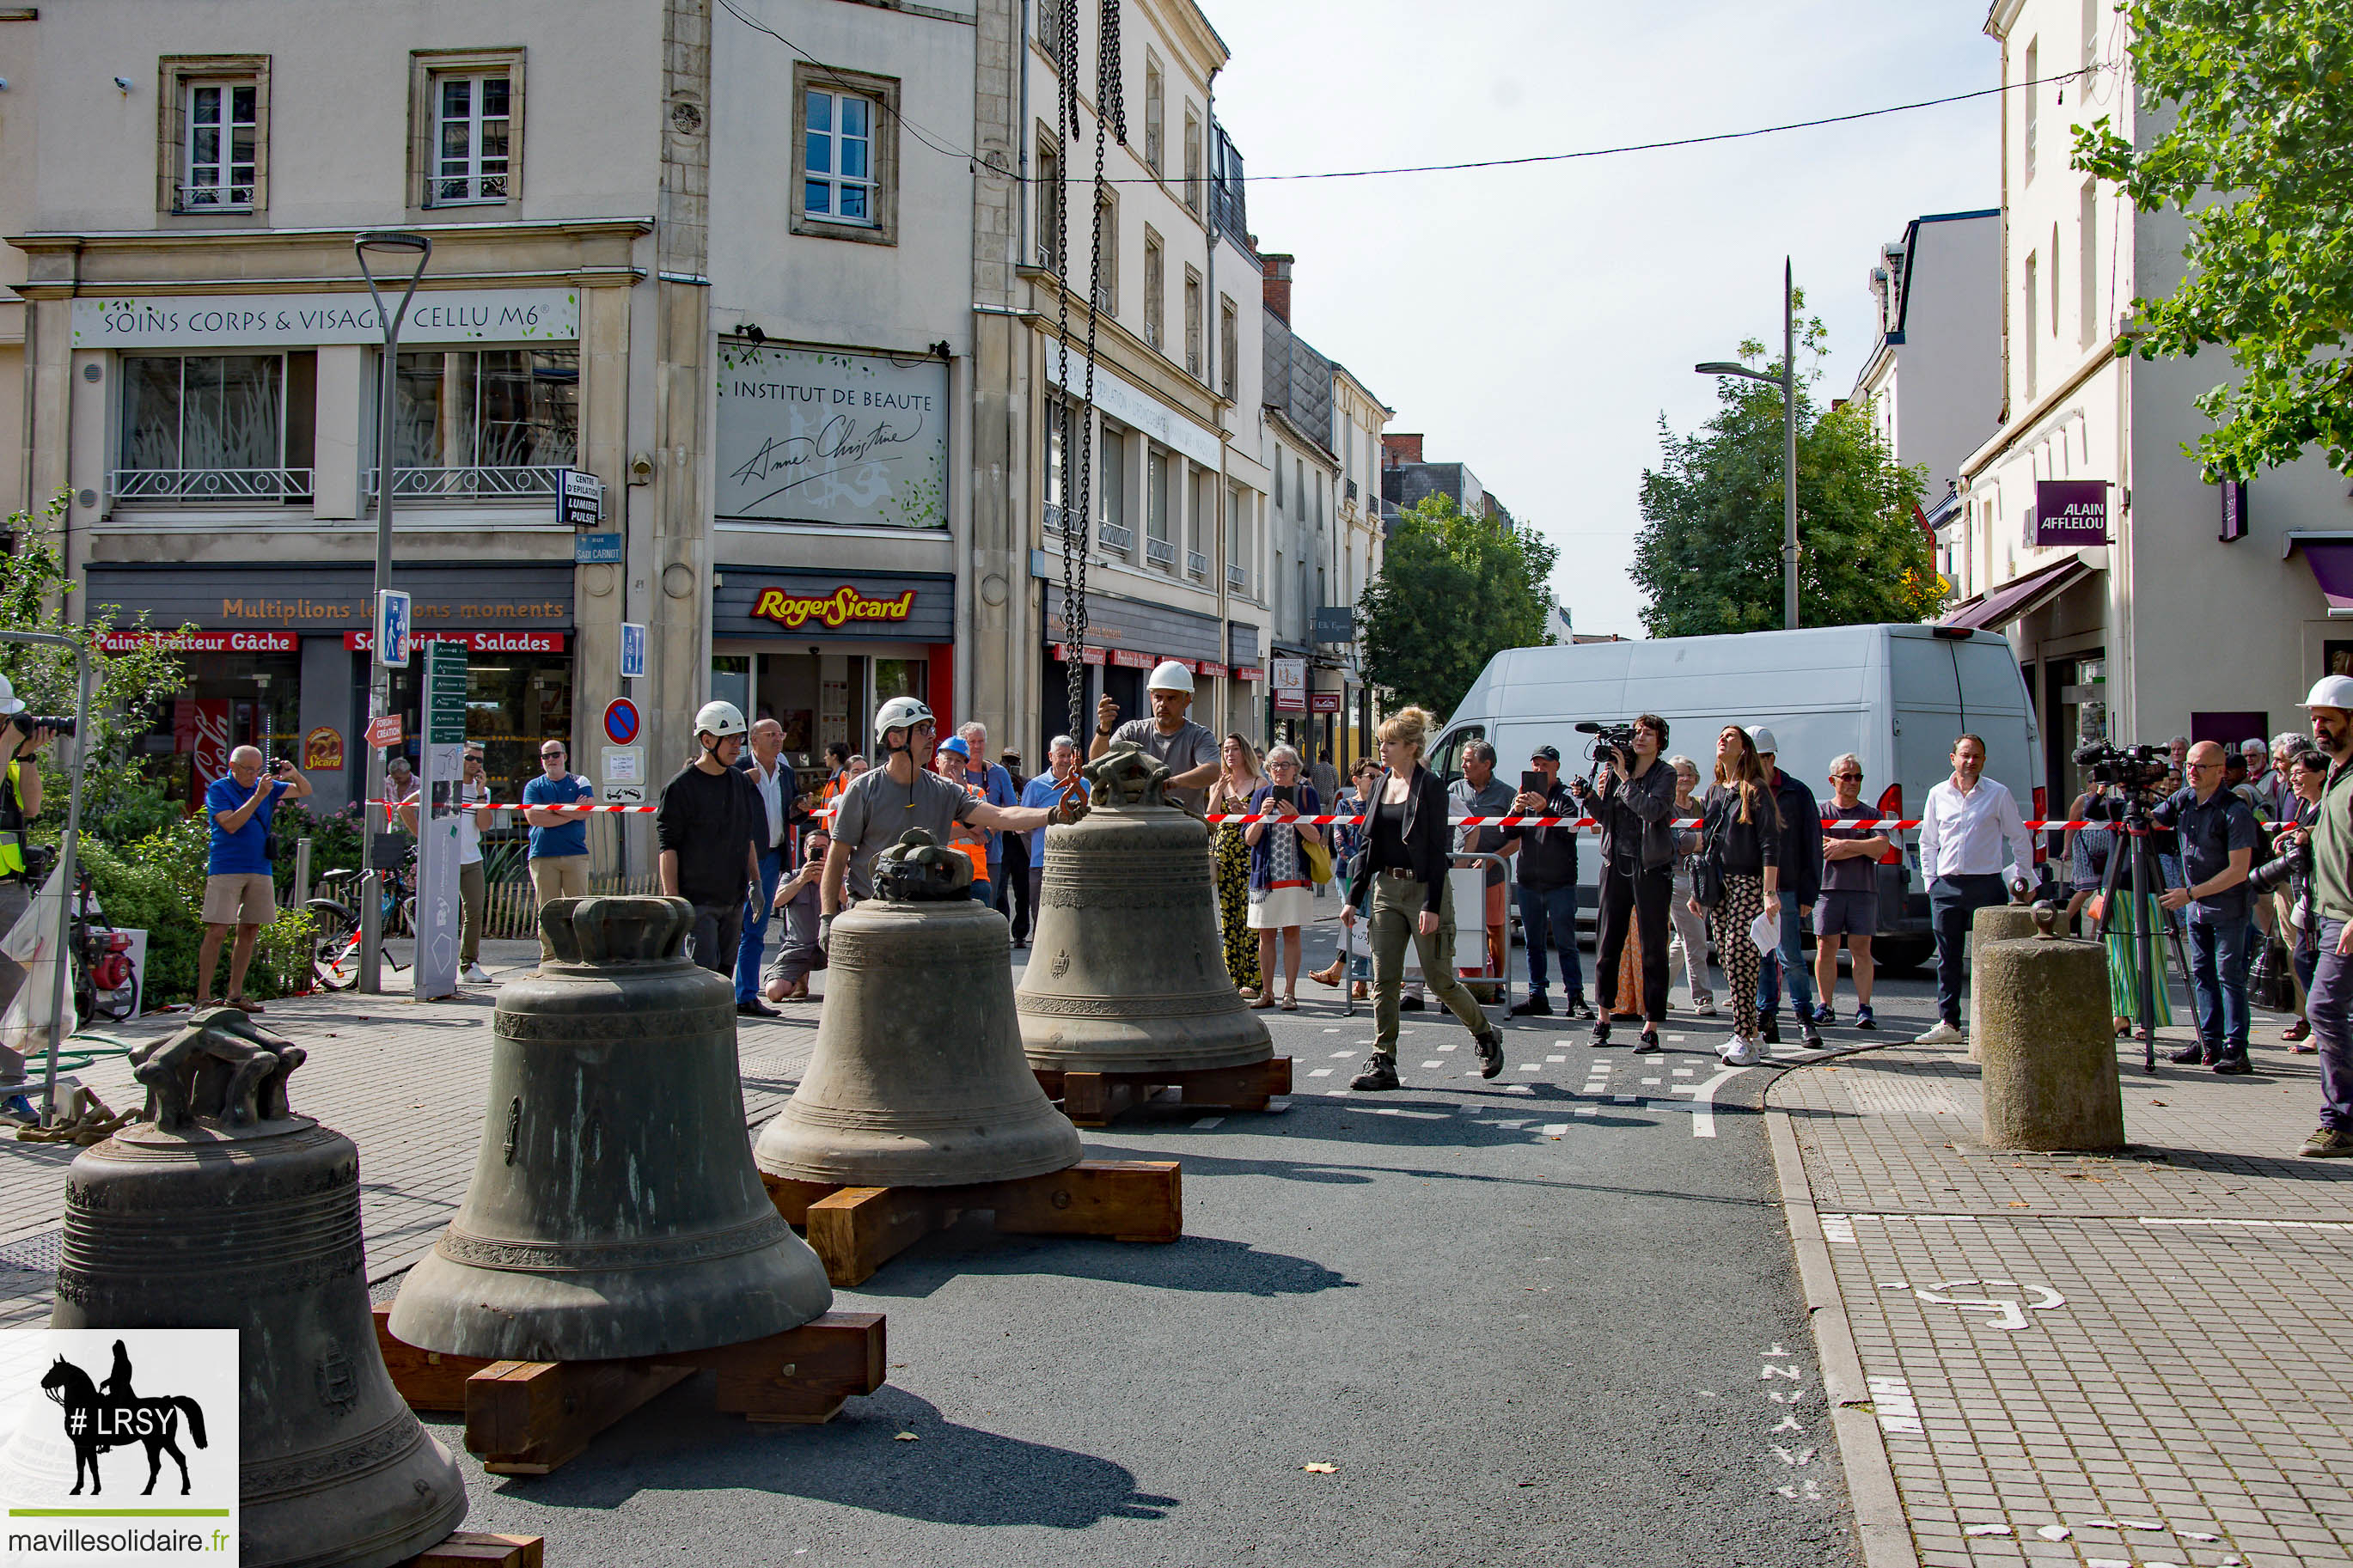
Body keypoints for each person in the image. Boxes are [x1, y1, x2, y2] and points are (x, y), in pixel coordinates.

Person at [821, 698, 1081, 952]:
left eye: (931, 729)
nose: (931, 736)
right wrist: (827, 917)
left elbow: (1000, 817)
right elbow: (837, 855)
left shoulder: (943, 790)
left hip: (924, 919)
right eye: (923, 729)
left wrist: (1053, 813)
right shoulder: (863, 790)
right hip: (870, 920)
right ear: (896, 738)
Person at [1340, 706, 1504, 1089]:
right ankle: (1383, 1060)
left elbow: (1435, 848)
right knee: (1385, 979)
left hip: (1424, 889)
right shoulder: (1381, 783)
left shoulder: (1429, 786)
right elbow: (1368, 846)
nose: (1382, 749)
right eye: (1381, 742)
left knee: (1439, 979)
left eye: (1390, 743)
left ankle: (1485, 1034)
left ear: (1412, 748)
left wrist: (1431, 904)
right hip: (1386, 890)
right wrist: (1353, 898)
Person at [1911, 734, 2033, 1046]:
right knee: (1948, 958)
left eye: (1976, 756)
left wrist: (2023, 878)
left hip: (1986, 885)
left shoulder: (1997, 794)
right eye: (1965, 755)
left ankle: (1994, 1022)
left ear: (1983, 760)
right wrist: (1930, 881)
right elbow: (1928, 841)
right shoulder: (1938, 794)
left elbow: (2019, 838)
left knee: (1990, 958)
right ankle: (1949, 1022)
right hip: (1946, 885)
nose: (1970, 761)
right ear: (1953, 758)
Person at [2152, 741, 2262, 1072]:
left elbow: (2238, 870)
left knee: (2229, 975)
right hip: (2198, 906)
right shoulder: (2184, 799)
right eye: (2188, 765)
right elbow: (2152, 820)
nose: (2192, 772)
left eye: (2200, 766)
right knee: (2202, 974)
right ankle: (2208, 1039)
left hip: (2227, 906)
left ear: (2220, 771)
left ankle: (2236, 1047)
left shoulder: (2235, 810)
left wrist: (2191, 893)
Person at [1572, 716, 1678, 1049]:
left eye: (1649, 733)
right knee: (1607, 946)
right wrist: (1589, 797)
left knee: (1653, 949)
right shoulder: (1617, 771)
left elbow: (1651, 811)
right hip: (1616, 863)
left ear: (1661, 741)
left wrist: (1624, 778)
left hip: (1651, 868)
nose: (1641, 737)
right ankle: (1603, 1018)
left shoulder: (1665, 774)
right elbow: (1608, 818)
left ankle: (1651, 1026)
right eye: (1638, 732)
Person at [656, 702, 767, 985]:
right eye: (730, 739)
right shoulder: (680, 788)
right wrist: (673, 899)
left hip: (733, 899)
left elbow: (747, 837)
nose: (736, 746)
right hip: (697, 902)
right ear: (707, 740)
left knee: (723, 978)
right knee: (702, 977)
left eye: (739, 739)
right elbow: (667, 846)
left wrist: (755, 882)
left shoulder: (740, 783)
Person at [199, 744, 312, 1012]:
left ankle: (235, 995)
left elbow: (305, 790)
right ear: (233, 767)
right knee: (217, 929)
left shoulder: (265, 787)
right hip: (226, 867)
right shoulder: (219, 789)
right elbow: (231, 824)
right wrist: (259, 796)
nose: (254, 775)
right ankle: (203, 997)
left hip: (260, 867)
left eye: (258, 770)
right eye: (248, 770)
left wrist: (293, 773)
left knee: (250, 928)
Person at [1691, 726, 1780, 1065]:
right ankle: (1753, 1035)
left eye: (1731, 737)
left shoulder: (1755, 790)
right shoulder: (1715, 791)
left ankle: (1744, 1036)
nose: (1723, 740)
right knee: (1729, 961)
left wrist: (1769, 892)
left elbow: (1770, 844)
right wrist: (1699, 891)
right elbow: (1708, 842)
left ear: (1744, 749)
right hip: (1719, 883)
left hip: (1749, 882)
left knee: (1741, 954)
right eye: (1721, 736)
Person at [2295, 676, 2353, 1156]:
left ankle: (2341, 1122)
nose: (2318, 728)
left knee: (2323, 1009)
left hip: (2347, 918)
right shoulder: (2335, 774)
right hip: (2327, 913)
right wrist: (2308, 839)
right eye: (2314, 719)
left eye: (2328, 719)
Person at [1746, 728, 1824, 1049]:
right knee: (1762, 956)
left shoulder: (1796, 792)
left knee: (1790, 956)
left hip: (1787, 888)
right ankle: (1766, 1018)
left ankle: (1804, 1019)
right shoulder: (1742, 791)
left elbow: (1812, 845)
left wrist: (1809, 892)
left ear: (1770, 758)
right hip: (1752, 887)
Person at [1505, 744, 1591, 1020]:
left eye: (1545, 765)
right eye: (1536, 765)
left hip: (1560, 882)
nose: (1539, 769)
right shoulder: (1524, 795)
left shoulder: (1567, 797)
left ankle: (1575, 997)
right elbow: (1508, 832)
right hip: (1530, 881)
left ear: (1556, 766)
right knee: (1533, 943)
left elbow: (1570, 831)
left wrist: (1545, 811)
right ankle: (1537, 995)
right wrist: (1517, 810)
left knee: (1566, 942)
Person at [399, 746, 498, 985]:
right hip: (445, 858)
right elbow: (404, 807)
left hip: (471, 858)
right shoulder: (445, 785)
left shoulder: (481, 791)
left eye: (479, 760)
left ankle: (469, 964)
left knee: (474, 911)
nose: (475, 763)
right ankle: (436, 965)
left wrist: (482, 793)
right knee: (441, 913)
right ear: (459, 760)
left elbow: (484, 826)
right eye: (470, 758)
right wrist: (424, 839)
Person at [0, 686, 55, 1083]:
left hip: (9, 889)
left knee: (12, 993)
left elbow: (32, 807)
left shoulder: (12, 758)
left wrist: (28, 755)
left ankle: (8, 1086)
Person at [1812, 754, 1892, 1030]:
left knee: (1861, 949)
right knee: (1827, 948)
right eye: (1847, 777)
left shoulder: (1872, 815)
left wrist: (1844, 845)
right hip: (1828, 890)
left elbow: (1881, 847)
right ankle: (1826, 1005)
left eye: (1858, 776)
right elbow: (1821, 846)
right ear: (1833, 780)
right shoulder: (1821, 813)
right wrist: (1860, 846)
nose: (1853, 782)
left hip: (1862, 890)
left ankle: (1864, 1007)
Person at [1244, 746, 1323, 1010]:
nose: (1279, 770)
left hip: (1295, 874)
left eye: (1285, 765)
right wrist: (1263, 817)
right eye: (1274, 766)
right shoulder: (1261, 795)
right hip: (1265, 877)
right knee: (1265, 936)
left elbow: (1316, 836)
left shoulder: (1306, 794)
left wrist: (1295, 817)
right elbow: (1249, 839)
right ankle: (1267, 992)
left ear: (1296, 769)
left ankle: (1290, 992)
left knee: (1291, 933)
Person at [1091, 660, 1220, 814]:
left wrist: (1173, 782)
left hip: (1184, 828)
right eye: (1158, 697)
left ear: (1187, 700)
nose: (1163, 704)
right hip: (1137, 827)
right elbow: (1098, 763)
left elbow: (1212, 771)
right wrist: (1104, 729)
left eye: (1171, 698)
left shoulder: (1199, 736)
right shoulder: (1132, 732)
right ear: (1151, 697)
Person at [730, 717, 797, 1018]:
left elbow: (789, 815)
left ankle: (745, 995)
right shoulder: (738, 769)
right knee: (731, 925)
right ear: (754, 740)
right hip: (742, 856)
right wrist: (745, 781)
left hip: (771, 858)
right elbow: (725, 805)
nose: (777, 739)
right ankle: (725, 990)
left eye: (780, 734)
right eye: (770, 734)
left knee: (755, 927)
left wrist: (799, 809)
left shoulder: (786, 772)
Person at [1449, 740, 1518, 1002]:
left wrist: (1493, 858)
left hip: (1494, 874)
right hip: (1460, 873)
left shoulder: (1507, 795)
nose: (1463, 765)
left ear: (1487, 764)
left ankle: (1497, 983)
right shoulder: (1453, 790)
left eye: (1468, 760)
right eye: (1463, 760)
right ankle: (1457, 982)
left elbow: (1518, 839)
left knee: (1494, 928)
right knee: (1457, 927)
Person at [2268, 747, 2326, 1049]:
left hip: (2327, 898)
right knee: (2303, 960)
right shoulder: (2303, 808)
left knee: (2311, 961)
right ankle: (2314, 1024)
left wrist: (2306, 835)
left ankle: (2321, 1029)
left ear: (2321, 775)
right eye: (2292, 774)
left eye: (2300, 773)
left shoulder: (2329, 806)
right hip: (2304, 895)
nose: (2293, 779)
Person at [1311, 756, 1383, 999]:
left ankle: (1355, 975)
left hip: (1377, 873)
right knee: (1355, 921)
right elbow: (1339, 840)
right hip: (1349, 873)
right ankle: (1357, 980)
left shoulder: (1383, 805)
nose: (1376, 781)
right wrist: (1357, 863)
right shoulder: (1346, 806)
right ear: (1357, 780)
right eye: (1371, 776)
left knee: (1372, 923)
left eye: (1379, 776)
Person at [522, 738, 595, 964]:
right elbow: (533, 817)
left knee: (578, 909)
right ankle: (550, 957)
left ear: (564, 756)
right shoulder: (534, 786)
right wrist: (571, 810)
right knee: (547, 911)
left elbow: (587, 811)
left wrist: (553, 813)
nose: (551, 760)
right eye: (546, 756)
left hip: (575, 854)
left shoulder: (580, 781)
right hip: (543, 855)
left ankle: (579, 955)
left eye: (555, 755)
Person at [1207, 734, 1267, 996]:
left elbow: (1263, 819)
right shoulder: (1219, 782)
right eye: (1226, 750)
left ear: (1245, 753)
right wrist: (1219, 791)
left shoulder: (1259, 782)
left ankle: (1254, 979)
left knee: (1250, 916)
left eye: (1234, 749)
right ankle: (1233, 977)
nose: (1229, 754)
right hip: (1224, 852)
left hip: (1248, 851)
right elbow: (1210, 817)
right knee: (1229, 916)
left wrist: (1242, 811)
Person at [1015, 736, 1080, 950]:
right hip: (1043, 864)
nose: (1065, 760)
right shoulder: (1036, 786)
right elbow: (1020, 825)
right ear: (1051, 757)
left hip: (1078, 865)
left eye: (1069, 755)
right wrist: (1050, 816)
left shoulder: (1085, 784)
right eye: (1061, 755)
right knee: (1042, 920)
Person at [1663, 755, 1715, 1016]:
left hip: (1701, 876)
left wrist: (1696, 839)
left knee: (1682, 940)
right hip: (1678, 876)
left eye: (1690, 774)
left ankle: (1660, 992)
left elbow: (1713, 837)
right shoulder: (1667, 808)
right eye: (1680, 774)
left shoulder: (1700, 805)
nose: (1685, 779)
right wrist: (1699, 839)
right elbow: (1680, 843)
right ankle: (1703, 998)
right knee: (1696, 939)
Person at [761, 827, 830, 1003]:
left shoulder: (838, 877)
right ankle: (799, 979)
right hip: (798, 949)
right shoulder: (791, 876)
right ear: (805, 851)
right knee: (773, 992)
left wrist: (826, 879)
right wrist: (802, 880)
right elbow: (777, 901)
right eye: (814, 847)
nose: (819, 851)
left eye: (824, 847)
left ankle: (804, 978)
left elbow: (849, 901)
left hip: (831, 949)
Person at [955, 722, 1018, 907]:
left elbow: (1010, 811)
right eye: (972, 741)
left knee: (988, 905)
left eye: (981, 741)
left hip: (990, 853)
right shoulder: (954, 771)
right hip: (955, 854)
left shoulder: (999, 774)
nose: (976, 746)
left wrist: (987, 833)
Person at [934, 735, 994, 903]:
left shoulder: (976, 793)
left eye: (959, 761)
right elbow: (933, 832)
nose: (953, 764)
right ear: (937, 761)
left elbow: (979, 828)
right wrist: (968, 830)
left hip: (975, 876)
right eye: (949, 759)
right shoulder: (928, 793)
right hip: (938, 873)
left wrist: (962, 794)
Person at [999, 747, 1036, 944]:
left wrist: (1020, 787)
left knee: (1023, 891)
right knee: (1000, 888)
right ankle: (1002, 928)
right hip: (1004, 840)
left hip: (1021, 843)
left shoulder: (1027, 784)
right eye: (1006, 761)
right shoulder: (997, 781)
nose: (1009, 765)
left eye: (1013, 761)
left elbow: (1029, 810)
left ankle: (1020, 933)